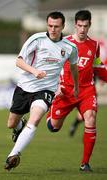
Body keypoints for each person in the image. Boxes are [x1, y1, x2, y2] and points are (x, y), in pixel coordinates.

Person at [4, 11, 79, 171]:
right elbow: (19, 61)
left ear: (63, 26)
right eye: (50, 25)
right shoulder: (36, 39)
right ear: (47, 25)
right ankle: (19, 127)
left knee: (36, 118)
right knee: (11, 123)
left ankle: (13, 155)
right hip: (25, 87)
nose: (53, 29)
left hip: (46, 90)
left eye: (56, 26)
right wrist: (34, 71)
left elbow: (74, 68)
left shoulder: (70, 47)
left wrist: (76, 87)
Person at [46, 10, 107, 172]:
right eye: (79, 26)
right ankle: (49, 112)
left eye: (85, 26)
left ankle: (85, 163)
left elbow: (98, 66)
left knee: (91, 119)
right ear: (75, 25)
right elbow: (52, 65)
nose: (82, 29)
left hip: (86, 90)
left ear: (89, 26)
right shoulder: (64, 42)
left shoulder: (94, 45)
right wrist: (54, 86)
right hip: (65, 91)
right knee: (53, 127)